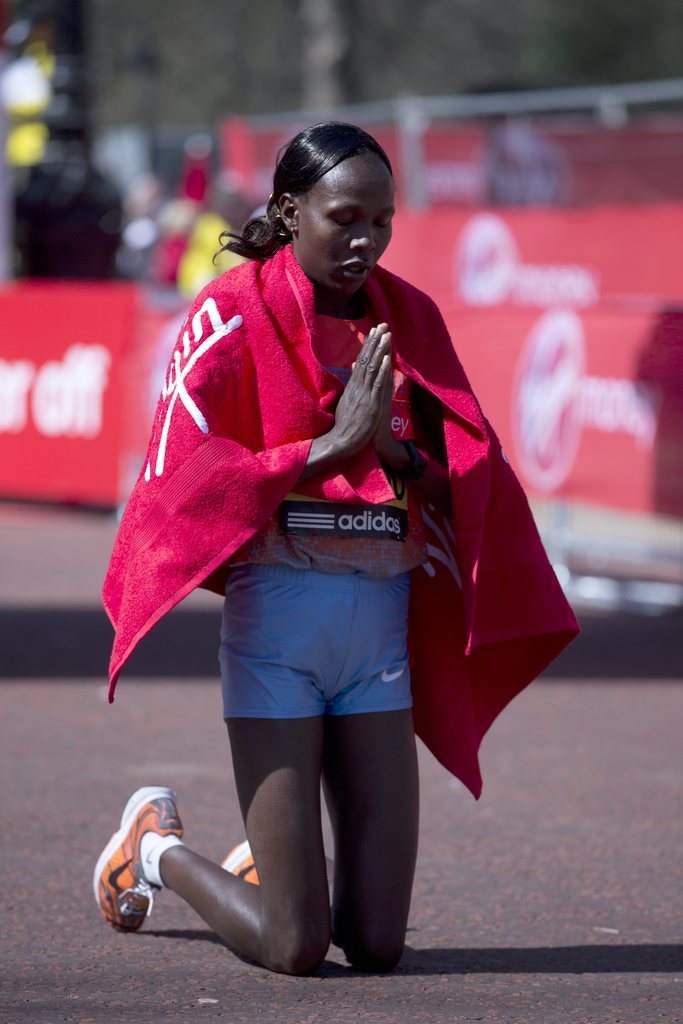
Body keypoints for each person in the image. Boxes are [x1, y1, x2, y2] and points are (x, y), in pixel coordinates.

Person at [94, 122, 578, 976]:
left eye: (381, 222)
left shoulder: (410, 317)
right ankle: (155, 850)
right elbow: (176, 479)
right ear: (288, 210)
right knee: (296, 945)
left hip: (376, 637)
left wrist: (400, 457)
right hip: (278, 632)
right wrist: (322, 449)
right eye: (343, 218)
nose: (365, 242)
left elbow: (475, 473)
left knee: (379, 945)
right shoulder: (232, 311)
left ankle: (280, 869)